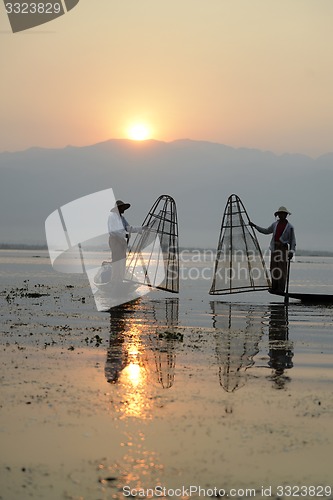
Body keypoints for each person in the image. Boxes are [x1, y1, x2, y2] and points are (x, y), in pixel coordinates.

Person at [250, 206, 296, 293]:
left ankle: (281, 288)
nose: (281, 215)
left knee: (281, 269)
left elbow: (293, 242)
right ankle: (274, 287)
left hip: (283, 249)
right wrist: (255, 226)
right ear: (278, 215)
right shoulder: (275, 224)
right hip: (275, 249)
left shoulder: (290, 227)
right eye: (280, 214)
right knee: (274, 268)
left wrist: (291, 252)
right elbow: (266, 231)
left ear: (286, 215)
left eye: (283, 214)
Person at [108, 199, 145, 284]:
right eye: (122, 208)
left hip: (121, 241)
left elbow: (129, 228)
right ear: (118, 208)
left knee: (122, 261)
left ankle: (119, 280)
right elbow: (113, 231)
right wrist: (124, 235)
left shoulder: (122, 218)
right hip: (115, 240)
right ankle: (115, 280)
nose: (124, 210)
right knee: (116, 260)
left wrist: (142, 228)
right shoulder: (112, 217)